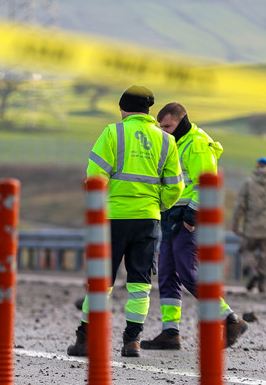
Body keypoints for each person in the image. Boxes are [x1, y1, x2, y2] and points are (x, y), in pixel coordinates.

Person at [67, 85, 183, 358]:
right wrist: (158, 204)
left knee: (100, 282)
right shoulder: (167, 140)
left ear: (122, 109)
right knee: (140, 284)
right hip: (147, 219)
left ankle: (86, 340)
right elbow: (176, 186)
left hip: (113, 218)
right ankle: (132, 341)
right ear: (148, 111)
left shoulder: (113, 132)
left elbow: (95, 179)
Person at [141, 103, 247, 350]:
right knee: (167, 274)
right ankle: (170, 332)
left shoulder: (196, 144)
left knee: (188, 272)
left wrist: (191, 219)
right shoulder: (173, 143)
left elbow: (206, 185)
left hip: (189, 218)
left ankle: (230, 319)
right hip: (171, 217)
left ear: (182, 120)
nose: (164, 131)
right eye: (161, 127)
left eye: (168, 126)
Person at [232, 157, 266, 293]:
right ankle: (263, 284)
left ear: (257, 167)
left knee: (247, 250)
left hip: (250, 228)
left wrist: (235, 223)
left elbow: (239, 206)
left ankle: (253, 271)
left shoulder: (248, 184)